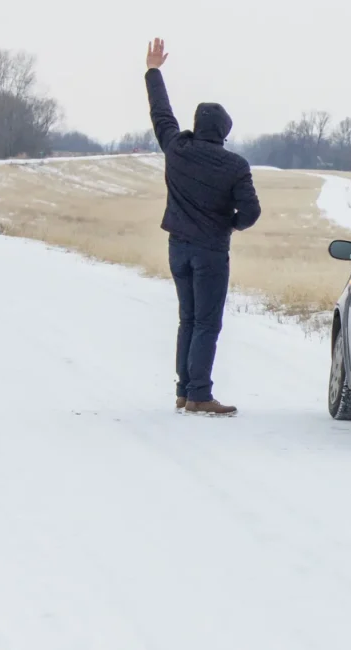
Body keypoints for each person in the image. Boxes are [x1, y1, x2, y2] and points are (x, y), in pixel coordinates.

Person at [144, 38, 261, 417]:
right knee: (207, 323)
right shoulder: (235, 166)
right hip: (211, 251)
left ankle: (184, 391)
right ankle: (199, 394)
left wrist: (153, 71)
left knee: (188, 319)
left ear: (197, 126)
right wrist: (230, 224)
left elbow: (161, 114)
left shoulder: (177, 148)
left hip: (177, 248)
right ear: (224, 131)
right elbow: (252, 212)